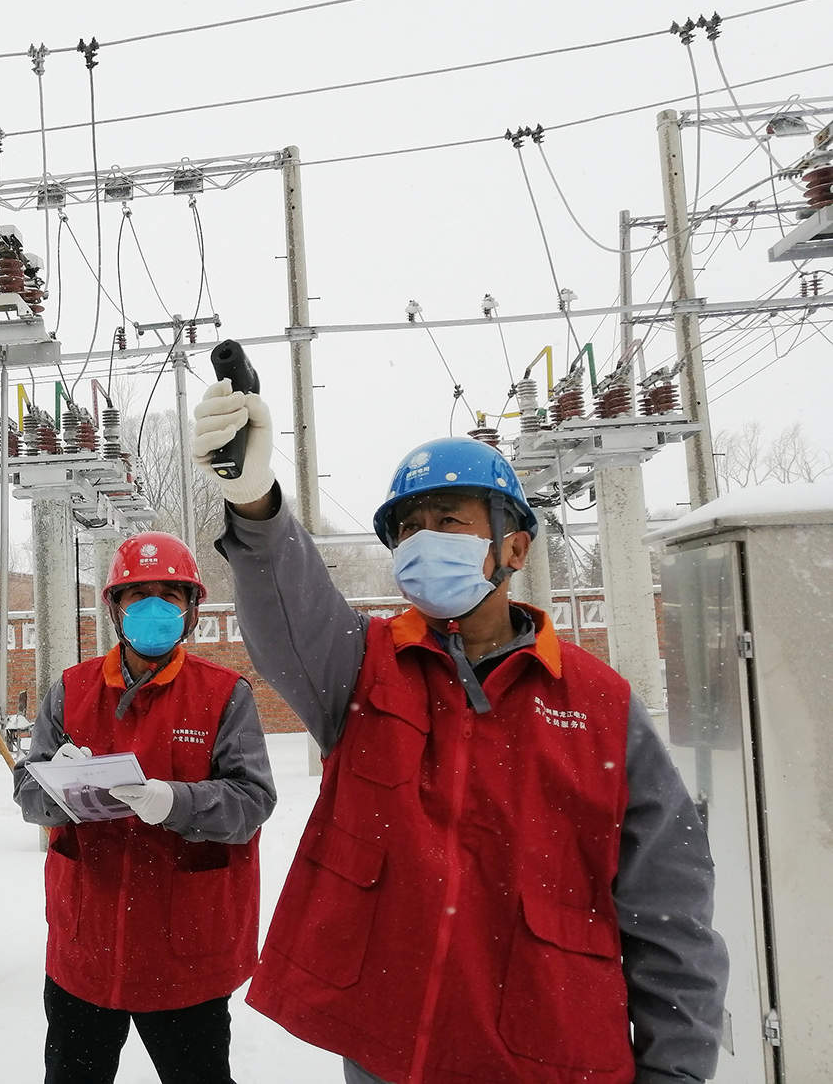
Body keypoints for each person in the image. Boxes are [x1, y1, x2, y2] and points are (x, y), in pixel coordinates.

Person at [191, 380, 729, 1084]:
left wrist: (676, 1071)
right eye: (409, 529)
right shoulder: (364, 667)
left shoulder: (599, 705)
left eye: (449, 520)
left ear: (514, 547)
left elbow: (670, 908)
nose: (424, 542)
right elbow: (290, 614)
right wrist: (255, 502)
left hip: (550, 1056)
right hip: (393, 1052)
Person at [13, 530, 276, 1084]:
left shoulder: (224, 694)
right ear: (115, 607)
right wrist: (57, 787)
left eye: (170, 595)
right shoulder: (71, 690)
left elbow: (252, 801)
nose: (154, 607)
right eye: (138, 594)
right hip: (87, 946)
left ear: (191, 610)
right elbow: (28, 794)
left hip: (184, 952)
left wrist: (176, 801)